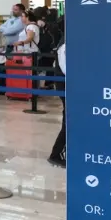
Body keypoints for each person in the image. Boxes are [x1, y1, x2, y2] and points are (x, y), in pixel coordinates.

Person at [48, 21, 66, 168]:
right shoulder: (65, 45)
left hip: (67, 85)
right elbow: (67, 69)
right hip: (65, 85)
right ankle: (56, 154)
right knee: (68, 120)